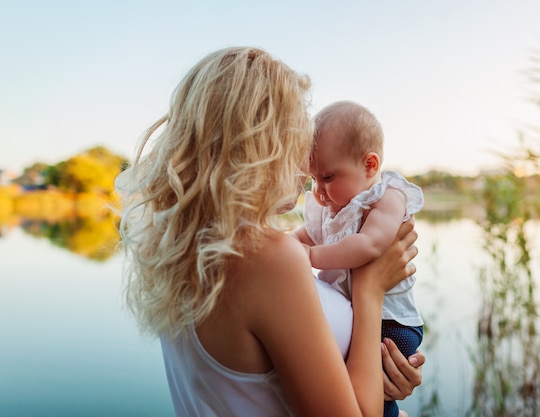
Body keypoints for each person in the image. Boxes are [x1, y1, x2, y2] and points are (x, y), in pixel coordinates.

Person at [115, 46, 425, 417]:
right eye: (298, 138)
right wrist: (370, 288)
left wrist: (380, 377)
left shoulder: (186, 253)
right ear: (264, 145)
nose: (304, 161)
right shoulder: (268, 258)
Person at [293, 100, 425, 417]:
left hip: (392, 323)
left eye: (327, 176)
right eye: (313, 180)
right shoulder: (329, 209)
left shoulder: (384, 198)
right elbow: (304, 235)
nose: (318, 191)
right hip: (363, 313)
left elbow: (369, 245)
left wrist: (309, 256)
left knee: (380, 390)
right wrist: (288, 246)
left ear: (369, 165)